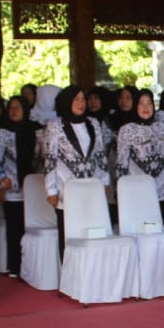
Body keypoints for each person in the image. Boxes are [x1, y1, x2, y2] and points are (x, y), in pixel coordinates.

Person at [42, 86, 110, 261]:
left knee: (91, 230)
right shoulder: (55, 126)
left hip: (90, 186)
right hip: (66, 187)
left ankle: (90, 268)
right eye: (76, 99)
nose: (81, 103)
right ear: (67, 102)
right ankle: (68, 272)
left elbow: (100, 154)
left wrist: (105, 181)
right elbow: (50, 159)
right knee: (68, 233)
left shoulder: (93, 123)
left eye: (82, 99)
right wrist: (51, 189)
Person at [0, 96, 39, 276]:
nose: (14, 111)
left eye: (18, 107)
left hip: (34, 188)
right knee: (15, 228)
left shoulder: (35, 130)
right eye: (11, 107)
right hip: (11, 187)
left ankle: (31, 266)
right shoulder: (3, 133)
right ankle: (15, 266)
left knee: (31, 228)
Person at [116, 89, 164, 224]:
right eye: (141, 103)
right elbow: (121, 163)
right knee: (141, 227)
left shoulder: (162, 128)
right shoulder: (127, 129)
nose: (146, 107)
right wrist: (122, 190)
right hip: (137, 188)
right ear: (135, 106)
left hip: (161, 188)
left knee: (161, 227)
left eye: (149, 103)